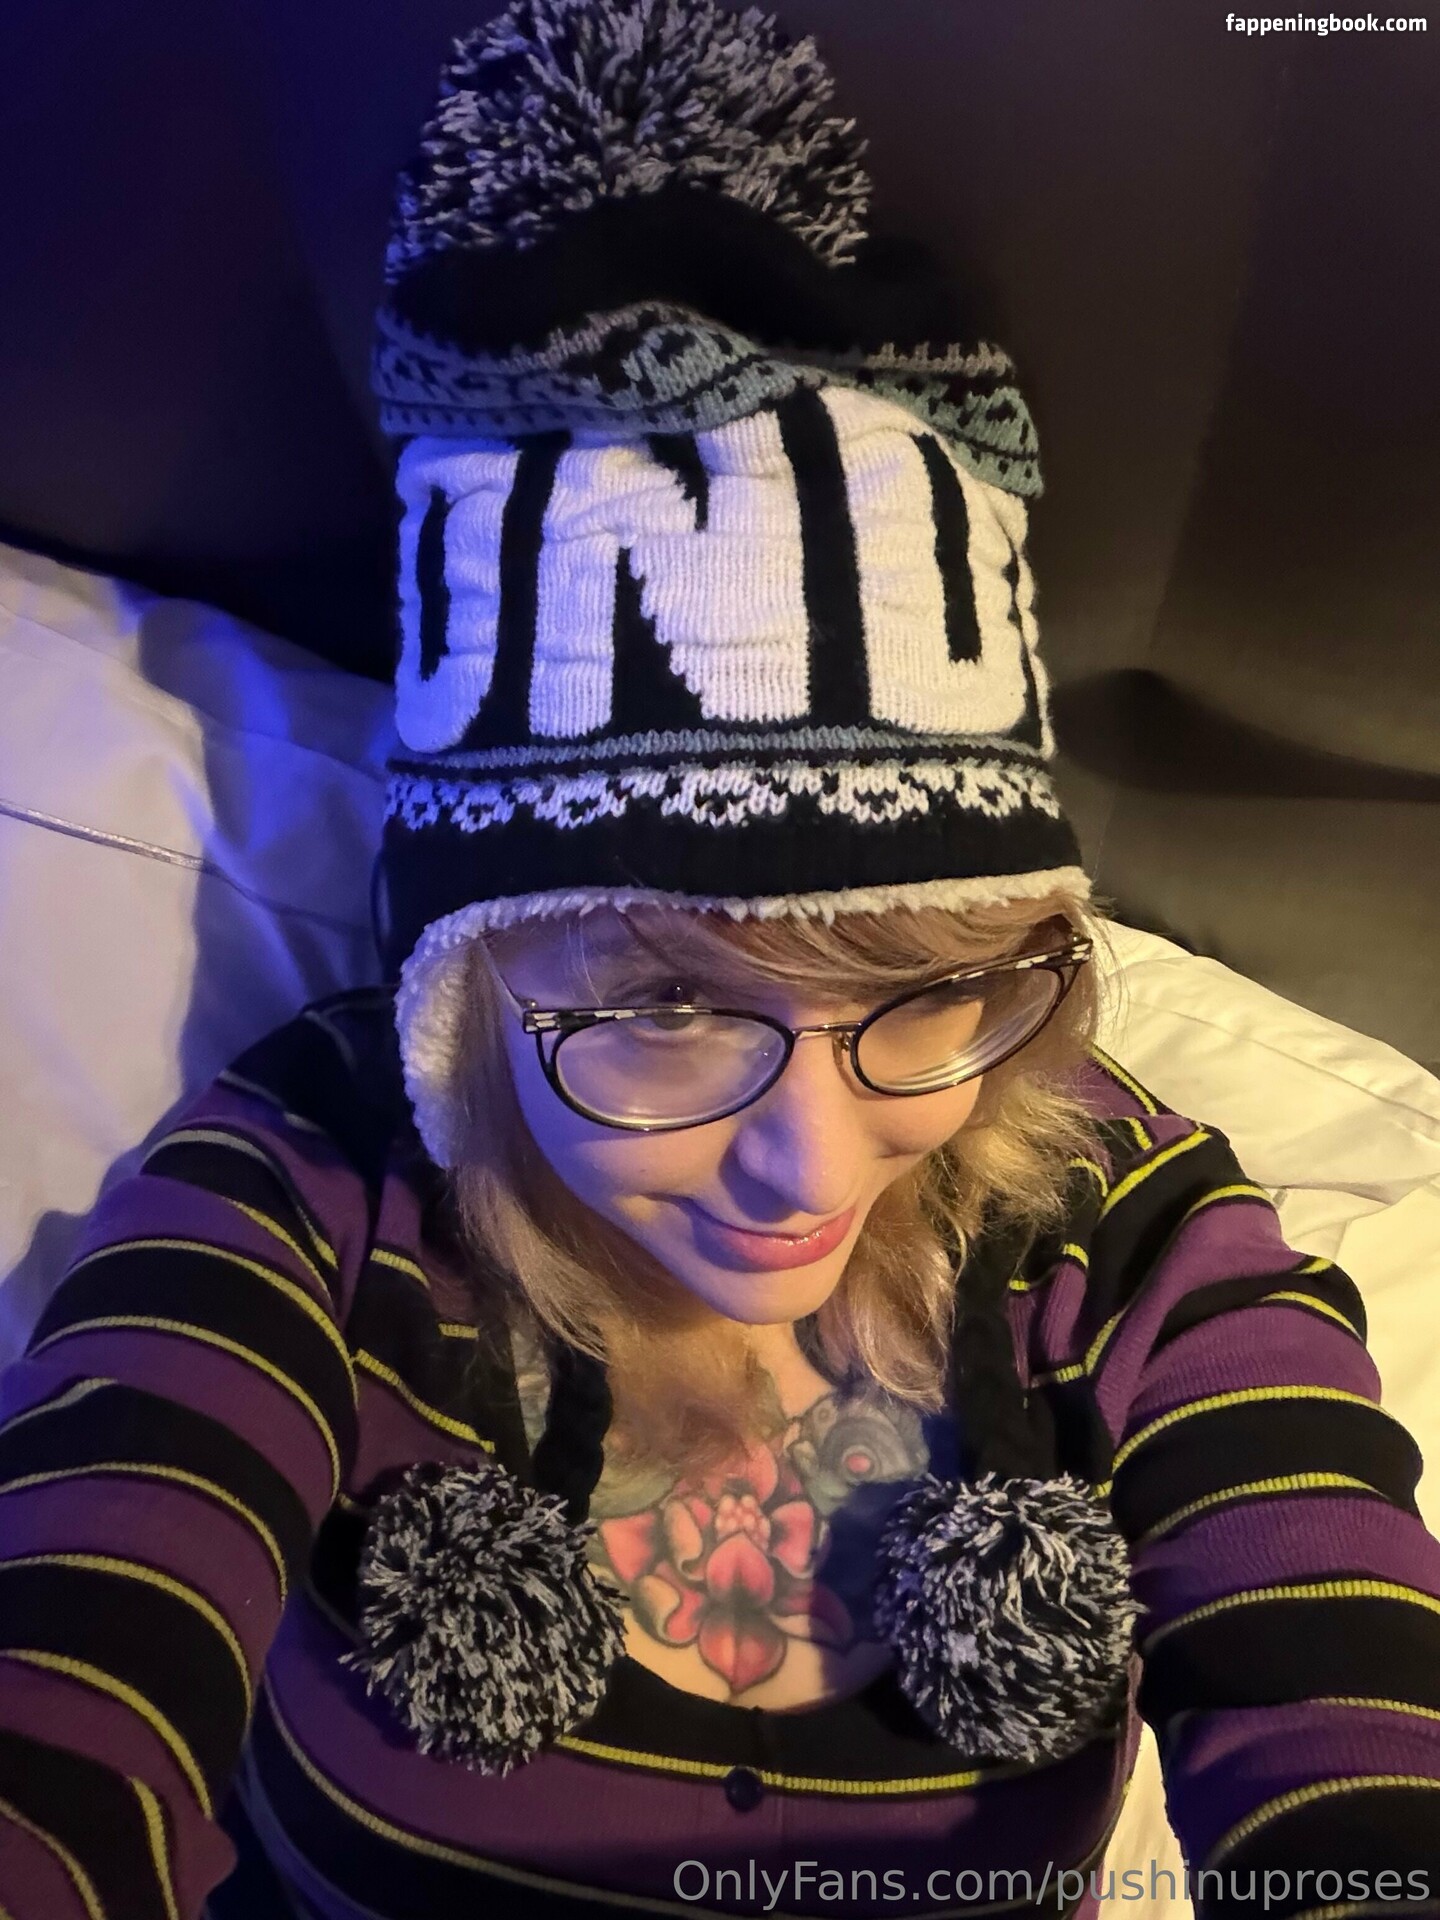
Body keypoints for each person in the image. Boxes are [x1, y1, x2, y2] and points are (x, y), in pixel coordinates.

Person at [1, 1, 1438, 1915]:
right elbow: (81, 1671)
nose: (811, 1169)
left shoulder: (1130, 1225)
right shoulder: (306, 1198)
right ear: (475, 979)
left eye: (925, 991)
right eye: (670, 1009)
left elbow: (1343, 1704)